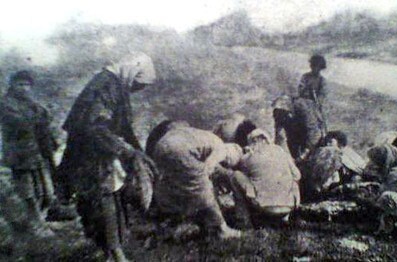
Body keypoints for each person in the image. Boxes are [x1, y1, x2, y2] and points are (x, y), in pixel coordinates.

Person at [57, 53, 157, 262]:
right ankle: (114, 253)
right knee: (104, 199)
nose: (135, 89)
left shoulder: (114, 83)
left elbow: (123, 125)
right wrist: (125, 150)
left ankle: (113, 249)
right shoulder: (105, 85)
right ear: (133, 71)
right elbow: (94, 127)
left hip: (103, 150)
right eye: (138, 84)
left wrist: (139, 152)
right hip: (92, 154)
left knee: (113, 196)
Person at [0, 70, 69, 236]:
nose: (24, 88)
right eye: (20, 84)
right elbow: (21, 123)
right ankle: (36, 225)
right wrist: (39, 119)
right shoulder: (5, 103)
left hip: (36, 153)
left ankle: (43, 220)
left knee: (45, 190)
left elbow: (45, 117)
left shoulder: (30, 103)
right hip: (20, 154)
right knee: (28, 192)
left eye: (27, 85)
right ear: (12, 85)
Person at [149, 121, 243, 239]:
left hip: (161, 145)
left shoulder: (208, 137)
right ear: (231, 157)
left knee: (175, 186)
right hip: (180, 149)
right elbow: (209, 167)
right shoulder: (221, 149)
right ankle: (222, 229)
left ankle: (172, 225)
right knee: (203, 188)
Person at [229, 129, 301, 228]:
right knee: (293, 178)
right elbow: (298, 175)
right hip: (288, 207)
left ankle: (243, 220)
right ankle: (286, 218)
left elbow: (245, 176)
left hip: (264, 207)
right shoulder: (282, 152)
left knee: (235, 175)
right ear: (266, 139)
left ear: (252, 142)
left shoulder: (248, 157)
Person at [293, 54, 329, 161]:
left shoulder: (322, 81)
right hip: (303, 104)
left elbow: (322, 98)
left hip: (314, 106)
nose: (315, 68)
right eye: (313, 66)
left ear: (321, 67)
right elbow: (300, 90)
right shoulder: (305, 77)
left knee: (318, 127)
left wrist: (317, 101)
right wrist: (306, 89)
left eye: (317, 66)